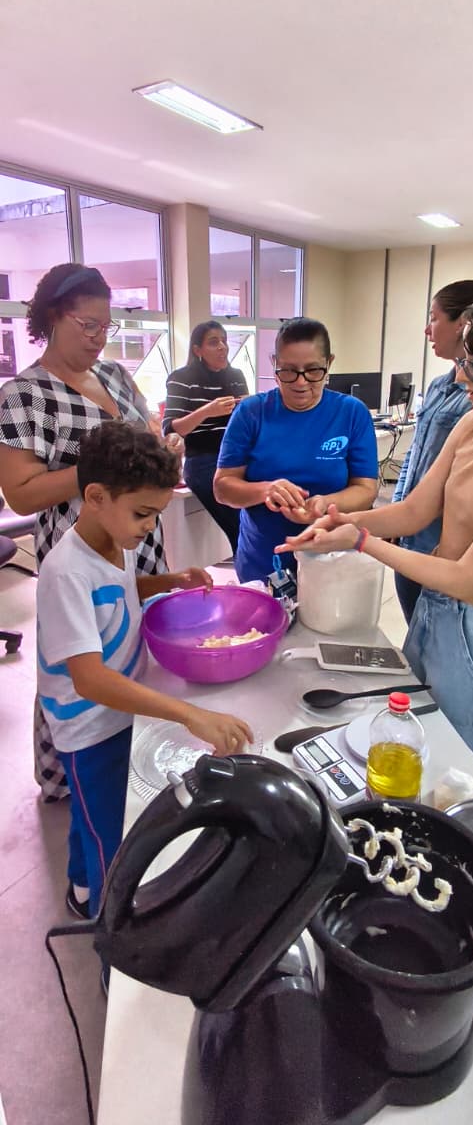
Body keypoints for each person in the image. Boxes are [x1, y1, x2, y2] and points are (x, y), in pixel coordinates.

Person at [276, 285, 473, 774]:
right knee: (419, 745)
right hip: (435, 610)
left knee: (462, 769)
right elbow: (414, 511)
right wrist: (343, 521)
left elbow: (468, 578)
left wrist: (362, 540)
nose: (462, 373)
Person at [37, 420, 252, 920]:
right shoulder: (65, 572)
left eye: (155, 514)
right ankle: (111, 925)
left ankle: (81, 886)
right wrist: (188, 714)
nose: (150, 527)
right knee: (110, 835)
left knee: (90, 817)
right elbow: (89, 678)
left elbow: (117, 592)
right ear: (96, 497)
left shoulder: (113, 542)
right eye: (142, 514)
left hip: (120, 708)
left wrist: (169, 581)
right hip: (90, 727)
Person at [0, 262, 173, 802]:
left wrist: (160, 449)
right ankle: (73, 775)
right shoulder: (25, 394)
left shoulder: (115, 375)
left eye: (107, 326)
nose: (99, 338)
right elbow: (21, 493)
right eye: (88, 325)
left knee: (137, 640)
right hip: (80, 545)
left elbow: (148, 432)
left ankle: (141, 754)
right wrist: (104, 471)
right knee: (82, 657)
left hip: (136, 535)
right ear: (54, 317)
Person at [213, 317, 379, 582]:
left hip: (332, 556)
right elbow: (222, 487)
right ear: (274, 363)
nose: (301, 383)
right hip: (264, 559)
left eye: (313, 371)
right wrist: (266, 490)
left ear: (329, 363)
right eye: (289, 371)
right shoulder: (251, 412)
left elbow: (366, 489)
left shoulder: (351, 413)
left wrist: (324, 504)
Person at [393, 279, 473, 624]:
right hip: (410, 532)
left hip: (442, 545)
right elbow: (415, 455)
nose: (427, 329)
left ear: (464, 323)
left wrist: (361, 536)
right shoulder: (438, 386)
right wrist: (397, 510)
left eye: (434, 318)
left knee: (437, 631)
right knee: (416, 632)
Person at [162, 321, 248, 556]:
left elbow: (246, 421)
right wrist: (208, 411)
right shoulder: (181, 378)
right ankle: (253, 571)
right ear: (197, 350)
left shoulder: (236, 376)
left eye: (224, 341)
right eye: (213, 342)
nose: (222, 347)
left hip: (240, 456)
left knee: (262, 514)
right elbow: (171, 427)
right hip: (204, 460)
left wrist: (250, 407)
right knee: (240, 526)